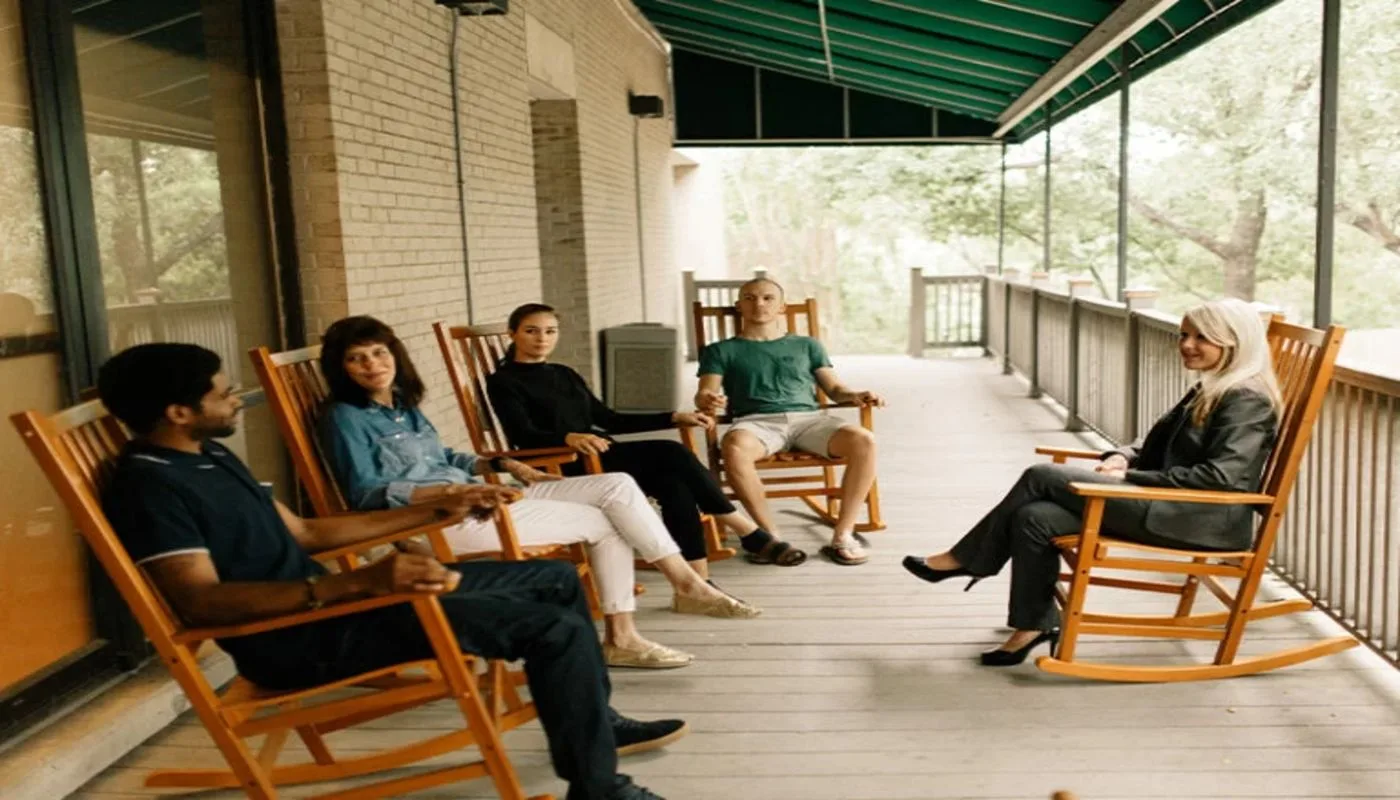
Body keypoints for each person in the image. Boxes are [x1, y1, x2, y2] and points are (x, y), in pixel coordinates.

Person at [97, 342, 680, 800]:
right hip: (300, 639)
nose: (237, 401)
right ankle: (598, 787)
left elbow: (305, 534)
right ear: (179, 413)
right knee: (553, 628)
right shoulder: (150, 487)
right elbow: (200, 602)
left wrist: (438, 509)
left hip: (345, 606)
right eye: (224, 394)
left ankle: (595, 725)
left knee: (553, 580)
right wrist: (358, 583)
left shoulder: (209, 453)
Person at [316, 316, 760, 672]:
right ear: (342, 368)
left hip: (484, 496)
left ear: (395, 355)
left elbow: (446, 455)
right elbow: (366, 492)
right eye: (357, 359)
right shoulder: (344, 417)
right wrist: (451, 490)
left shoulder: (403, 406)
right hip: (440, 520)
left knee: (618, 484)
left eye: (379, 353)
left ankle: (681, 589)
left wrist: (499, 464)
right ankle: (636, 627)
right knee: (610, 521)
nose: (372, 364)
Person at [903, 298, 1282, 666]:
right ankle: (1032, 624)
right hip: (1171, 505)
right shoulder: (1214, 386)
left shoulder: (1246, 399)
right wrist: (1122, 456)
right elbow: (1156, 442)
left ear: (1234, 342)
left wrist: (1128, 476)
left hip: (1196, 519)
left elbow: (1220, 477)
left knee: (1041, 476)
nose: (1186, 344)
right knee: (1034, 517)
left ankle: (967, 559)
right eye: (1184, 335)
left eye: (1201, 337)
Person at [486, 302, 800, 577]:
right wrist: (567, 437)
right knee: (670, 450)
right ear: (513, 334)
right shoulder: (504, 382)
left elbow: (609, 419)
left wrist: (673, 417)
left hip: (601, 453)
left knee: (674, 485)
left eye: (550, 331)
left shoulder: (564, 373)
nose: (542, 338)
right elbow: (522, 435)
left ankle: (698, 578)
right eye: (531, 331)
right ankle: (747, 530)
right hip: (559, 464)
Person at [695, 277, 885, 566]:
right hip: (756, 423)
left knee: (864, 441)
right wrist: (707, 399)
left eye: (768, 298)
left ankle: (843, 534)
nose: (759, 304)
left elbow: (835, 389)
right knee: (734, 447)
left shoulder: (807, 345)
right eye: (750, 298)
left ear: (782, 307)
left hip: (809, 420)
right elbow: (704, 393)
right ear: (739, 306)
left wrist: (856, 395)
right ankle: (770, 538)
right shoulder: (720, 350)